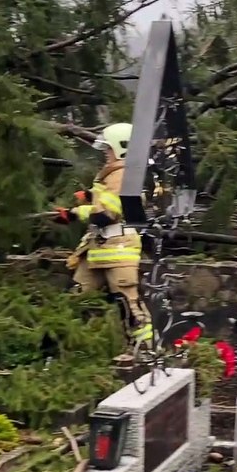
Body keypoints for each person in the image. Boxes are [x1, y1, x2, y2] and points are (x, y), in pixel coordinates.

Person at [56, 122, 152, 349]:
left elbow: (108, 214)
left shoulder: (122, 174)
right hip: (99, 249)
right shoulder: (114, 174)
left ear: (122, 148)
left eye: (108, 148)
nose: (105, 153)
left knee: (129, 305)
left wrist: (73, 213)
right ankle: (71, 346)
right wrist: (88, 195)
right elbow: (105, 199)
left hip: (119, 249)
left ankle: (145, 352)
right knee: (77, 296)